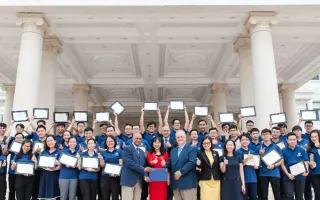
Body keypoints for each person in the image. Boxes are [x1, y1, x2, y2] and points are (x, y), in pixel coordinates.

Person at [163, 130, 197, 200]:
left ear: (185, 138)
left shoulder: (191, 148)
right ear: (176, 139)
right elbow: (170, 162)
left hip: (187, 183)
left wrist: (180, 172)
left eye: (181, 137)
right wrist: (164, 164)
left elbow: (192, 162)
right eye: (178, 137)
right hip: (176, 183)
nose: (180, 138)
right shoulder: (173, 150)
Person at [121, 132, 152, 200]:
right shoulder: (127, 149)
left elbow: (144, 165)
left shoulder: (142, 151)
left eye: (140, 139)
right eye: (136, 138)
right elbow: (130, 163)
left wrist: (146, 175)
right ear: (132, 139)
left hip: (139, 181)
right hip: (128, 181)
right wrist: (144, 169)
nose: (138, 140)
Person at [256, 128, 283, 200]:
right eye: (263, 134)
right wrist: (260, 155)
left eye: (267, 134)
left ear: (271, 136)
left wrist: (274, 165)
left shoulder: (276, 146)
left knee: (277, 194)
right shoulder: (259, 147)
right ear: (261, 136)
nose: (265, 136)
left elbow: (281, 160)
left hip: (275, 173)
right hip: (263, 173)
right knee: (264, 195)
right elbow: (256, 162)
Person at [281, 132, 309, 200]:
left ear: (296, 140)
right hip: (288, 176)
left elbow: (305, 161)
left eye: (294, 139)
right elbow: (282, 163)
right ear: (287, 140)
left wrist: (306, 170)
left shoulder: (302, 150)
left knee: (299, 196)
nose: (292, 141)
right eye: (290, 140)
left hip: (300, 176)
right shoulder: (283, 150)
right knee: (289, 195)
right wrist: (288, 174)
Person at [38, 135, 61, 199]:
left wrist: (53, 169)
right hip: (45, 175)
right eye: (48, 141)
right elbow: (40, 164)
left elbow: (61, 167)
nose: (49, 142)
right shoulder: (44, 152)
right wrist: (44, 167)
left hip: (54, 175)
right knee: (45, 195)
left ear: (55, 141)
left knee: (54, 194)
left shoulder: (59, 152)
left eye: (51, 140)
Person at [100, 135, 123, 200]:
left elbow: (120, 163)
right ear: (106, 143)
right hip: (105, 177)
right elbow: (102, 165)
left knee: (115, 197)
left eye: (111, 141)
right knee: (105, 197)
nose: (110, 143)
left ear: (114, 142)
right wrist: (100, 158)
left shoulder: (119, 151)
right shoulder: (103, 153)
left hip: (115, 177)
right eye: (108, 141)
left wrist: (116, 172)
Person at [236, 134, 258, 200]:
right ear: (240, 141)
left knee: (254, 197)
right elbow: (238, 166)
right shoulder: (237, 152)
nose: (245, 141)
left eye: (246, 139)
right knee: (243, 197)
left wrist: (256, 166)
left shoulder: (253, 152)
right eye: (242, 140)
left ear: (249, 141)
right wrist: (247, 158)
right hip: (242, 179)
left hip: (253, 178)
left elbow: (257, 165)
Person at [7, 131, 24, 200]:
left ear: (23, 139)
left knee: (21, 190)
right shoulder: (12, 146)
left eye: (20, 138)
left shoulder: (26, 147)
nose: (18, 139)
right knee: (12, 189)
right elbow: (6, 152)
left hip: (22, 172)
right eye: (17, 138)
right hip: (12, 171)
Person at [307, 129, 320, 200]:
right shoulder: (310, 148)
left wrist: (318, 147)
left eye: (315, 137)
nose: (313, 138)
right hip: (314, 173)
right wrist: (310, 164)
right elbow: (307, 160)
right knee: (317, 193)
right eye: (312, 137)